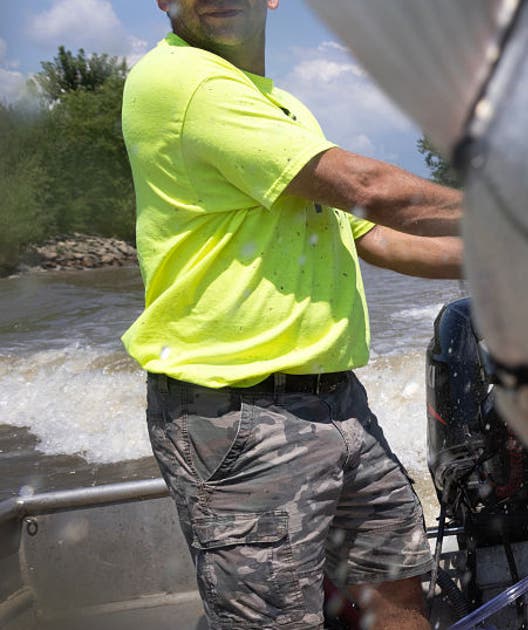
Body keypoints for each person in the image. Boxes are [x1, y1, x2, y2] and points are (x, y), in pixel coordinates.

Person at [121, 1, 462, 628]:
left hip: (340, 405)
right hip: (237, 419)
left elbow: (367, 234)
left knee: (397, 583)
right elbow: (370, 190)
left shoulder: (280, 105)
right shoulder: (184, 81)